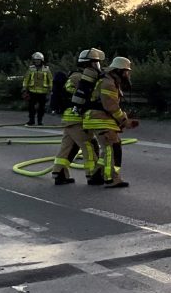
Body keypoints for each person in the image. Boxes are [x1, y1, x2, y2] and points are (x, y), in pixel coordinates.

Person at [51, 48, 105, 186]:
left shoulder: (75, 76)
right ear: (89, 64)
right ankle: (93, 175)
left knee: (67, 148)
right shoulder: (80, 78)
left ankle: (59, 174)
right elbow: (85, 97)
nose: (97, 67)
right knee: (90, 146)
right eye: (96, 63)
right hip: (77, 119)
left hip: (69, 118)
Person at [84, 56, 138, 189]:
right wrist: (124, 121)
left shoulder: (111, 80)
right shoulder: (108, 83)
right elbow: (111, 106)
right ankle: (112, 179)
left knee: (108, 148)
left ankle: (97, 175)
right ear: (118, 70)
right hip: (99, 119)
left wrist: (124, 120)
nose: (127, 74)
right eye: (126, 71)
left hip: (99, 119)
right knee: (113, 148)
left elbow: (111, 106)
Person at [22, 52, 53, 126]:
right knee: (31, 107)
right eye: (35, 60)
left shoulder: (46, 69)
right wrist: (24, 88)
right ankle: (31, 120)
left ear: (42, 60)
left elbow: (50, 80)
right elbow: (26, 79)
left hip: (43, 91)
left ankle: (40, 121)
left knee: (41, 108)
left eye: (38, 60)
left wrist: (51, 89)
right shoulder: (31, 69)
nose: (37, 61)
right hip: (32, 91)